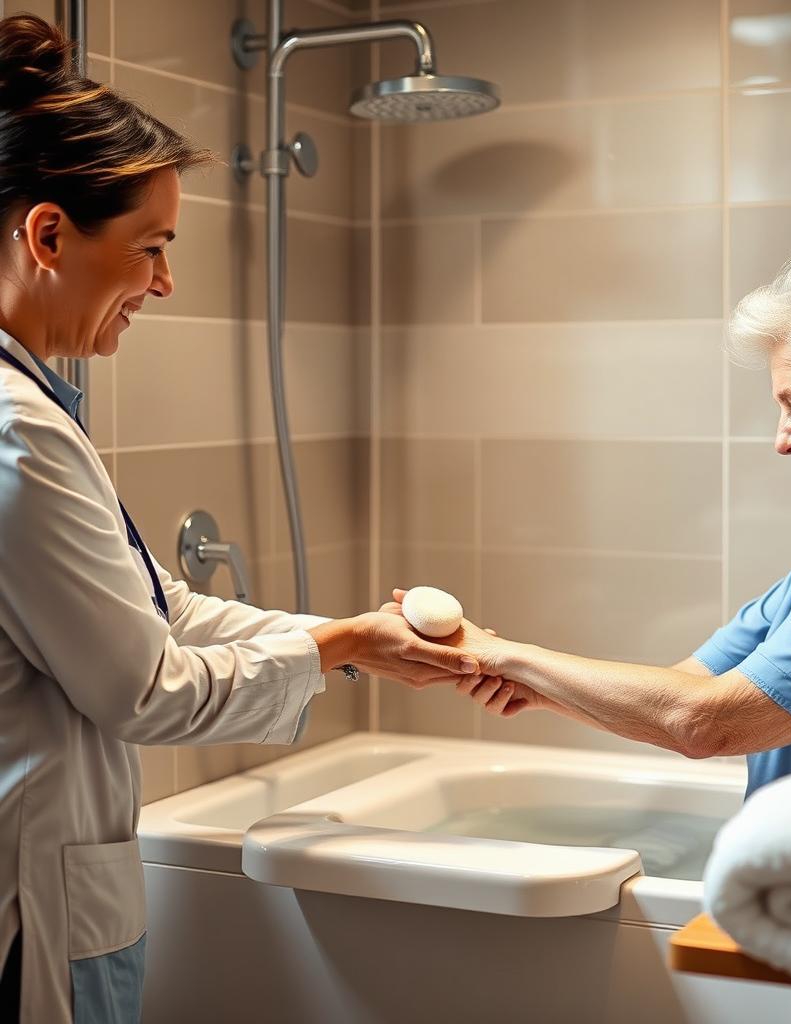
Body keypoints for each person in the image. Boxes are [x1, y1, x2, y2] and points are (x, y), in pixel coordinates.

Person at [0, 15, 480, 1023]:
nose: (163, 284)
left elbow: (156, 605)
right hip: (35, 908)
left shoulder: (36, 406)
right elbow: (148, 688)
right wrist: (342, 643)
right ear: (47, 234)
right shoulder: (16, 432)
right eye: (151, 247)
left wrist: (350, 644)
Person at [409, 239, 791, 803]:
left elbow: (706, 721)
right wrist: (514, 673)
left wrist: (502, 655)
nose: (784, 441)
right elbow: (692, 684)